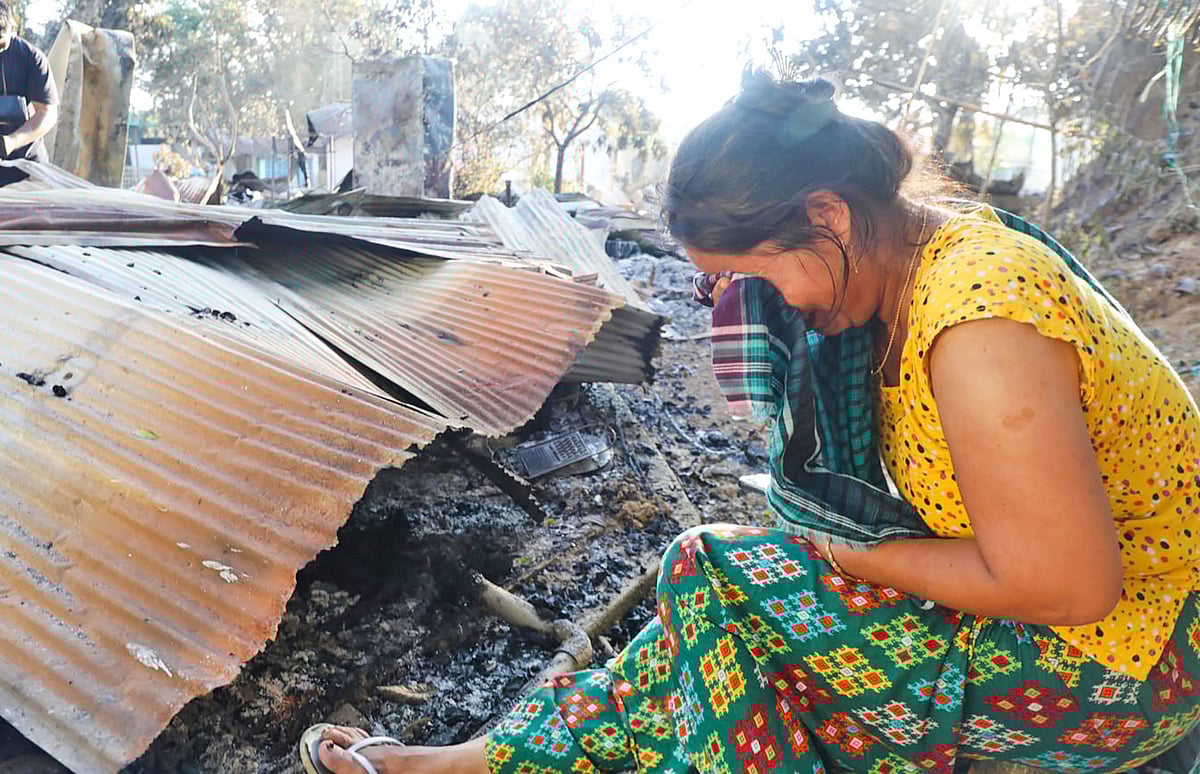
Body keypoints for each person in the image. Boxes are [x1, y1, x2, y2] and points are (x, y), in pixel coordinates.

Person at [299, 72, 1200, 774]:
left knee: (711, 572)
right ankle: (481, 760)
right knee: (713, 628)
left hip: (1122, 662)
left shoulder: (979, 320)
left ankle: (490, 762)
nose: (765, 307)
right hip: (1067, 629)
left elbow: (1068, 588)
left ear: (828, 215)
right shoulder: (900, 272)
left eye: (758, 278)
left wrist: (853, 558)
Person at [0, 0, 58, 187]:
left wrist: (11, 141)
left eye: (1, 44)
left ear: (12, 28)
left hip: (27, 167)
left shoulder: (32, 58)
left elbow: (47, 113)